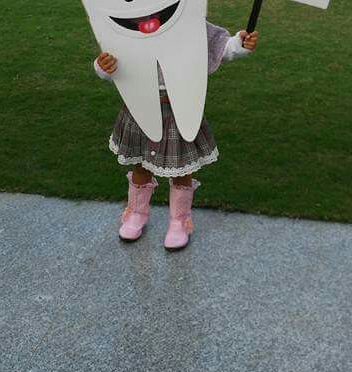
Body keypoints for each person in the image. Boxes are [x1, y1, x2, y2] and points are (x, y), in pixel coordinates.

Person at [95, 22, 258, 250]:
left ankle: (179, 221)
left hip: (179, 109)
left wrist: (239, 44)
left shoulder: (186, 17)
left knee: (182, 168)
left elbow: (220, 47)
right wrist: (103, 66)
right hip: (140, 106)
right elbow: (109, 62)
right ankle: (136, 214)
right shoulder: (128, 22)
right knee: (141, 164)